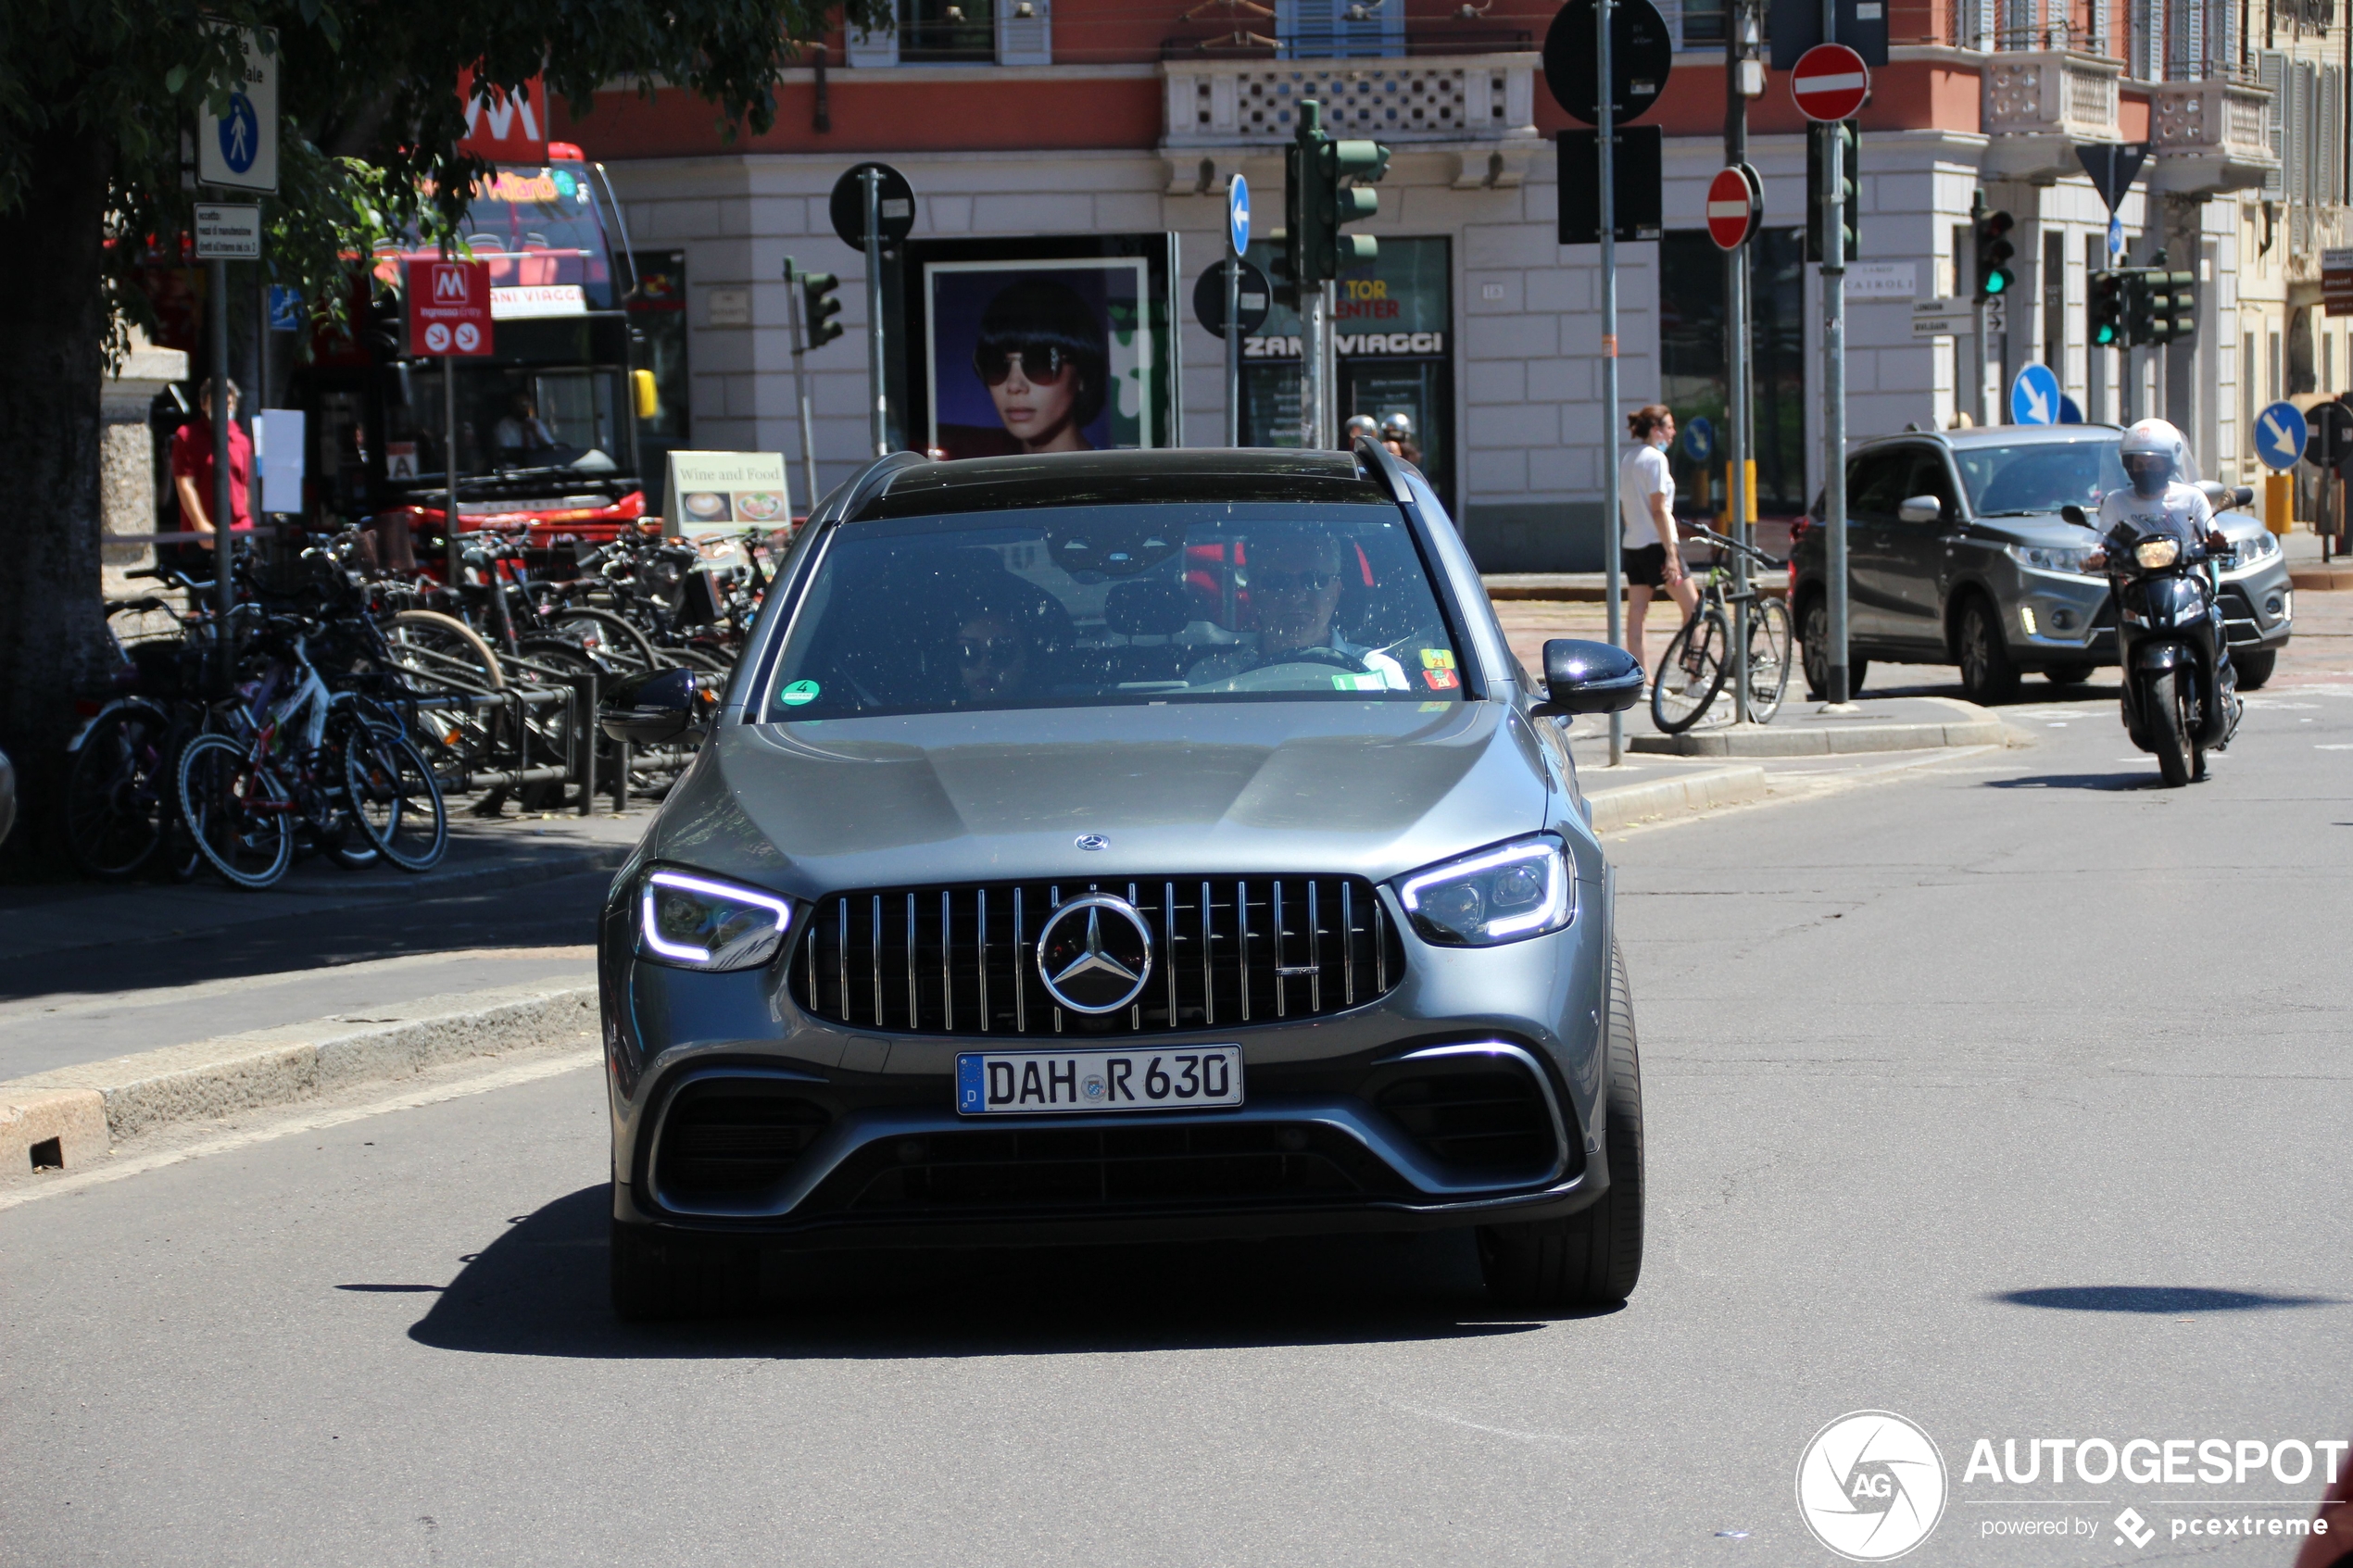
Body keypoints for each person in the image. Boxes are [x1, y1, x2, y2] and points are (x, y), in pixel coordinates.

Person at [2086, 417, 2240, 728]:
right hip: (2138, 586)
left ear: (2170, 463)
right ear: (2127, 466)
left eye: (2152, 463)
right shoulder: (2117, 502)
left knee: (2215, 620)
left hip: (2186, 581)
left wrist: (2216, 541)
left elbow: (2211, 530)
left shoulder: (2191, 497)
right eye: (2137, 463)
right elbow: (2100, 543)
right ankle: (2134, 689)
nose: (2144, 470)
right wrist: (2096, 558)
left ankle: (2220, 681)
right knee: (2122, 625)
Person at [1187, 530, 1408, 687]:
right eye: (1277, 581)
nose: (1296, 597)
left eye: (1313, 580)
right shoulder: (1211, 679)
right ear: (1254, 593)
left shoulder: (1379, 675)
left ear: (1335, 592)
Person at [972, 280, 1110, 454]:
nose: (1014, 386)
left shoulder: (1111, 480)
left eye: (1039, 363)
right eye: (996, 364)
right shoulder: (983, 478)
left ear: (1081, 374)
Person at [1619, 404, 1699, 678]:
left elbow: (1625, 505)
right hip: (1657, 543)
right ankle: (1694, 676)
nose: (1673, 432)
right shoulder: (1656, 459)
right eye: (1669, 426)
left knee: (1637, 614)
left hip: (1633, 543)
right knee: (1693, 608)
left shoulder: (1629, 458)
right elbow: (1659, 508)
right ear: (1656, 430)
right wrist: (1671, 553)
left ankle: (1640, 680)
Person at [167, 378, 251, 571]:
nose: (223, 409)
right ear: (204, 404)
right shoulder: (187, 436)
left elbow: (244, 487)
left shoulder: (241, 440)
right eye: (216, 403)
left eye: (228, 404)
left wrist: (247, 525)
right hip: (202, 539)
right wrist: (201, 526)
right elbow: (184, 484)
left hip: (237, 535)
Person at [494, 392, 557, 458]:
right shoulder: (502, 427)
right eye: (519, 405)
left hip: (537, 464)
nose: (523, 409)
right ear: (512, 407)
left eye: (526, 405)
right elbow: (505, 452)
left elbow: (552, 448)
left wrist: (537, 435)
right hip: (514, 465)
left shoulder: (536, 423)